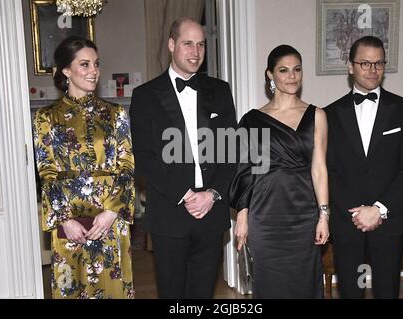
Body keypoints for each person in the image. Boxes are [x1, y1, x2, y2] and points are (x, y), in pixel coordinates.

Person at [129, 17, 237, 299]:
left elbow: (231, 152)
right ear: (171, 45)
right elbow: (144, 156)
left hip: (211, 212)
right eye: (188, 43)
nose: (196, 51)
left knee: (203, 293)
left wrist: (212, 194)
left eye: (200, 44)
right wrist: (186, 194)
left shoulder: (220, 91)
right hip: (169, 214)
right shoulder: (145, 96)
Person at [33, 36, 135, 299]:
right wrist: (65, 220)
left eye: (96, 64)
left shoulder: (116, 115)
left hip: (110, 222)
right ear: (66, 70)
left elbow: (126, 167)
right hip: (70, 226)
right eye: (85, 65)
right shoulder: (47, 117)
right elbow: (47, 172)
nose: (94, 72)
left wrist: (112, 212)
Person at [325, 36, 403, 299]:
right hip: (348, 222)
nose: (373, 70)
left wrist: (378, 209)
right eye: (365, 63)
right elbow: (327, 171)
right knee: (351, 293)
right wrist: (358, 214)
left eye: (379, 63)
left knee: (387, 292)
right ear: (350, 67)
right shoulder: (328, 114)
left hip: (388, 222)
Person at [230, 45, 330, 298]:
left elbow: (319, 169)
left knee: (305, 284)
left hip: (303, 216)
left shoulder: (317, 116)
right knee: (270, 287)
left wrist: (324, 216)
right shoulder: (252, 119)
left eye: (297, 69)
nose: (292, 76)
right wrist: (242, 218)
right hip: (265, 216)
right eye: (283, 70)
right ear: (270, 75)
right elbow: (244, 171)